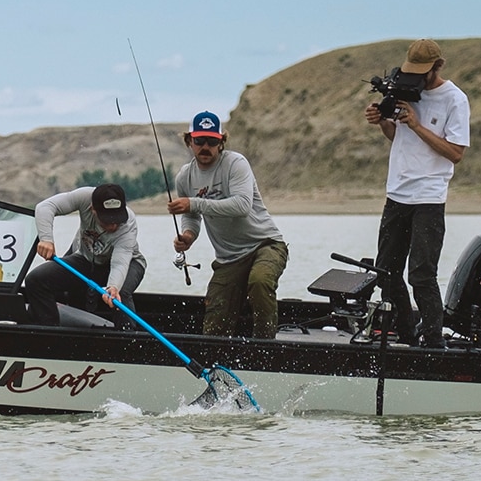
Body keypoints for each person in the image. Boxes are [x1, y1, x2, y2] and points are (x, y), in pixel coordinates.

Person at [363, 38, 470, 348]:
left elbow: (455, 153)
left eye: (422, 72)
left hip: (429, 198)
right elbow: (397, 137)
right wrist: (382, 121)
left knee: (422, 275)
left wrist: (417, 124)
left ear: (436, 67)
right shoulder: (406, 91)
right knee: (386, 272)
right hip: (396, 193)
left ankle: (435, 342)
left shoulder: (454, 100)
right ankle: (408, 334)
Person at [167, 111, 289, 337]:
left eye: (212, 141)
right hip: (228, 258)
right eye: (199, 141)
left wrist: (194, 203)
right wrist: (188, 237)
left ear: (221, 142)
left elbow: (241, 206)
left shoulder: (236, 163)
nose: (206, 147)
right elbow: (192, 217)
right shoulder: (184, 177)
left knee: (260, 281)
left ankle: (266, 348)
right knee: (215, 323)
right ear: (189, 141)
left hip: (266, 245)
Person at [22, 182, 146, 326]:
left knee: (120, 296)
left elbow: (120, 262)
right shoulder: (84, 197)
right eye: (107, 220)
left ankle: (129, 340)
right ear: (93, 209)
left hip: (129, 263)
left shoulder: (128, 225)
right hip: (87, 259)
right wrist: (46, 239)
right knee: (36, 280)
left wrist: (113, 287)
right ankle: (50, 334)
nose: (113, 226)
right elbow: (44, 207)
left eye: (117, 219)